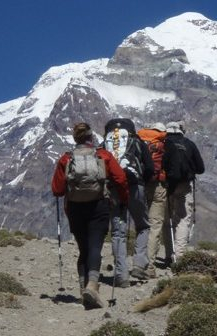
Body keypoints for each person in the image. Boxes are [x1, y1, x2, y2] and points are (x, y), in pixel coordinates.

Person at [51, 122, 129, 309]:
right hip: (99, 206)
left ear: (75, 139)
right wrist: (124, 199)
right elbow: (120, 178)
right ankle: (92, 286)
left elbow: (57, 190)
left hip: (76, 209)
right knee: (95, 247)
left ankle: (82, 291)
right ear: (91, 138)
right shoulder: (103, 155)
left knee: (83, 249)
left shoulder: (66, 159)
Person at [103, 118, 154, 285]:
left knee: (118, 232)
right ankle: (139, 264)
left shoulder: (104, 144)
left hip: (114, 189)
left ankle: (121, 275)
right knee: (143, 225)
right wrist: (142, 182)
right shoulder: (137, 142)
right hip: (135, 186)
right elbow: (150, 168)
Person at [163, 121, 205, 259]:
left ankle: (169, 254)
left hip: (166, 185)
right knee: (182, 219)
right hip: (185, 186)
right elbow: (201, 169)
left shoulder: (162, 143)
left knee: (166, 219)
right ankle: (179, 256)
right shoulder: (189, 144)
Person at [137, 122, 172, 278]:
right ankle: (148, 266)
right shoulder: (162, 144)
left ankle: (136, 261)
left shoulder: (140, 141)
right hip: (158, 186)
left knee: (142, 224)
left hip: (139, 185)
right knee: (155, 225)